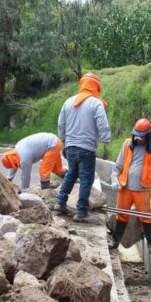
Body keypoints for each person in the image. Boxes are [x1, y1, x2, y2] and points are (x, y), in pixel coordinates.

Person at [54, 72, 112, 221]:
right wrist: (106, 140)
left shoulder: (69, 102)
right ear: (96, 86)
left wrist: (63, 138)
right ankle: (81, 212)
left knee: (72, 173)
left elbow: (61, 123)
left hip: (70, 147)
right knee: (86, 179)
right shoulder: (95, 103)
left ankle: (60, 202)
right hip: (86, 148)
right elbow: (102, 123)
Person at [109, 119, 151, 253]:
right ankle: (115, 241)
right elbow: (118, 166)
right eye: (137, 136)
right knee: (121, 214)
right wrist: (114, 180)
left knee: (145, 216)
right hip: (125, 187)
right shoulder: (127, 144)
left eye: (141, 137)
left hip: (142, 189)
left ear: (148, 136)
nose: (138, 140)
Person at [1, 132, 67, 191]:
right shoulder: (16, 151)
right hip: (54, 141)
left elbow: (25, 177)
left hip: (52, 145)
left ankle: (46, 190)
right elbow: (13, 166)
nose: (14, 167)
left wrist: (25, 191)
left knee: (44, 170)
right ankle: (70, 177)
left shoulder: (24, 159)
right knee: (57, 169)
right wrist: (9, 179)